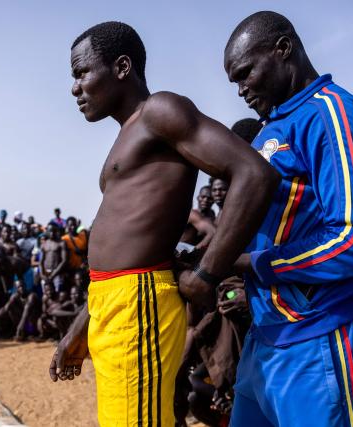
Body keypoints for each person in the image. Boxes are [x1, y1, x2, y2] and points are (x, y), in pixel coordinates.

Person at [49, 21, 278, 427]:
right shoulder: (129, 133)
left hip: (139, 304)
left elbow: (253, 174)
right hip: (112, 302)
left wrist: (207, 273)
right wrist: (82, 325)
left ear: (122, 67)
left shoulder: (160, 111)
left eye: (82, 72)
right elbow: (123, 247)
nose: (75, 87)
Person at [223, 11, 353, 426]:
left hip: (320, 339)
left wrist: (255, 263)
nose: (241, 90)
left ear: (283, 49)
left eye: (245, 74)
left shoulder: (331, 113)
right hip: (267, 340)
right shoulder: (270, 128)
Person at [40, 224, 68, 292]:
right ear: (47, 232)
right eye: (50, 231)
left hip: (57, 273)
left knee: (57, 292)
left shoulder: (61, 243)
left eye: (54, 231)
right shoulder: (44, 244)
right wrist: (42, 274)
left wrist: (53, 274)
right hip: (46, 273)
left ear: (56, 232)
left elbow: (64, 260)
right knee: (46, 293)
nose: (52, 233)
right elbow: (41, 261)